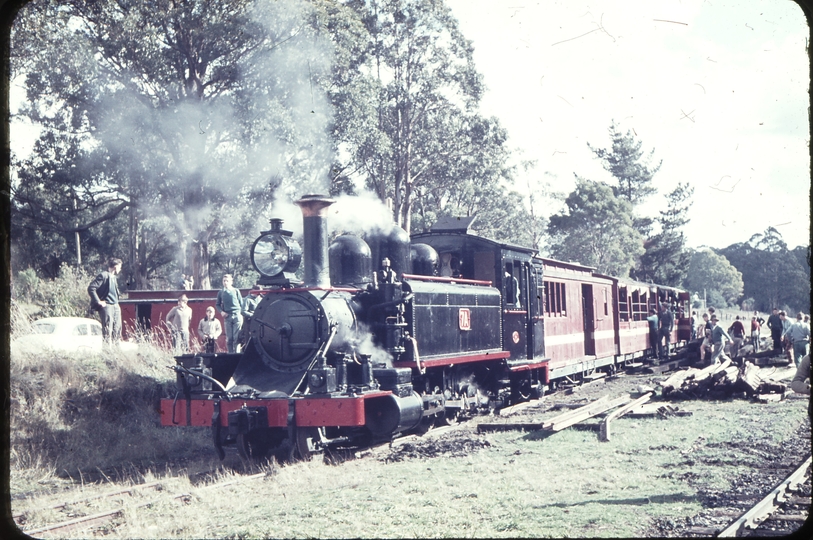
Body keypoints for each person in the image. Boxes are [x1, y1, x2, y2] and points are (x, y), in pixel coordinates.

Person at [88, 257, 123, 345]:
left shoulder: (114, 277)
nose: (120, 269)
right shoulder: (103, 275)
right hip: (107, 306)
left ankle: (116, 352)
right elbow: (91, 288)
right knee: (108, 330)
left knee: (117, 329)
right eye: (119, 266)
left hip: (115, 305)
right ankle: (107, 352)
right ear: (115, 267)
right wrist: (98, 301)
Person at [216, 273, 243, 353]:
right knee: (229, 338)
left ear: (231, 282)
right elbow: (217, 305)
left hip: (237, 315)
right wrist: (221, 312)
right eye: (224, 281)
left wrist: (241, 314)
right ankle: (230, 354)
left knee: (236, 338)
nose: (225, 282)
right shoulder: (221, 293)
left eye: (227, 281)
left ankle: (237, 354)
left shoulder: (236, 291)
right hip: (227, 317)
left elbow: (241, 304)